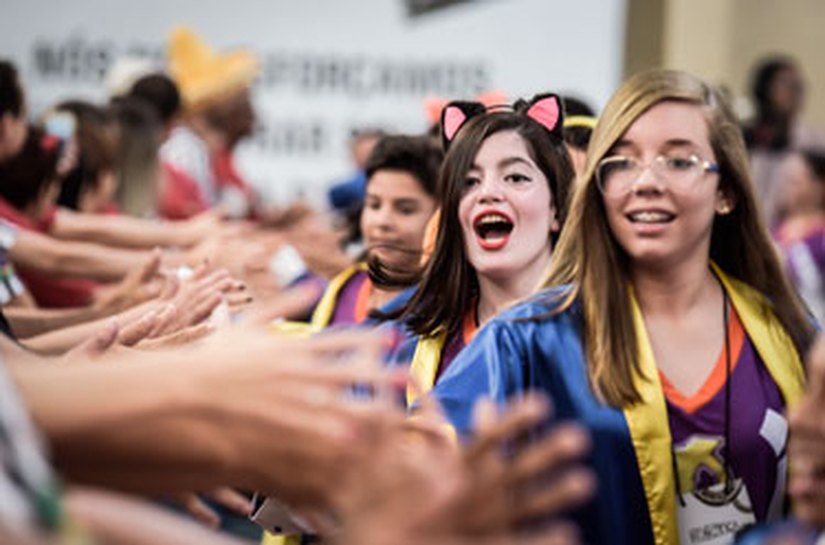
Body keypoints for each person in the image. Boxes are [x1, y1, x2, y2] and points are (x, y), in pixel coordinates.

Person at [432, 69, 814, 545]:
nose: (646, 181)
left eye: (679, 160)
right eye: (623, 162)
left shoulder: (789, 334)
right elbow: (415, 472)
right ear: (599, 186)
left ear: (726, 191)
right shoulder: (527, 341)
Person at [387, 93, 573, 404]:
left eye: (515, 177)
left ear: (556, 208)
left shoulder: (604, 335)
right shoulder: (410, 344)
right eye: (469, 181)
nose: (488, 193)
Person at [307, 133, 440, 329]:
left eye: (405, 209)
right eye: (374, 205)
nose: (382, 222)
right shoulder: (346, 287)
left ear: (442, 215)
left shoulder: (445, 308)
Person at [742, 56, 825, 226]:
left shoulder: (815, 144)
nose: (794, 93)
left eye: (798, 87)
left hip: (793, 238)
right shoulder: (743, 138)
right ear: (763, 90)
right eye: (786, 85)